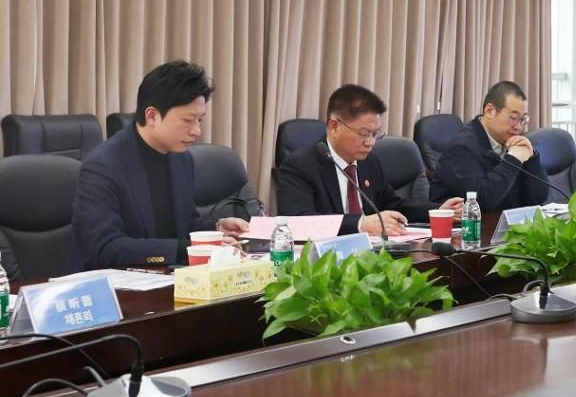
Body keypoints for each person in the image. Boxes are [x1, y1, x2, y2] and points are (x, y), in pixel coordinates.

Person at [69, 61, 249, 271]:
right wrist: (186, 249)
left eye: (199, 120)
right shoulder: (103, 165)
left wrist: (217, 230)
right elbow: (106, 248)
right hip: (112, 283)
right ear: (152, 116)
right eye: (188, 120)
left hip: (166, 278)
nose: (196, 131)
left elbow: (186, 225)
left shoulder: (181, 159)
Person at [277, 85, 463, 236]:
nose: (371, 142)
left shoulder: (368, 162)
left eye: (375, 134)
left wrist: (438, 211)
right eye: (364, 134)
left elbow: (392, 204)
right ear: (334, 126)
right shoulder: (299, 166)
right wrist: (360, 224)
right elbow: (300, 221)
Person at [430, 81, 550, 212]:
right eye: (513, 118)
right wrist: (513, 160)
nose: (518, 127)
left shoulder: (512, 142)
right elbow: (481, 201)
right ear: (489, 111)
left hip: (505, 221)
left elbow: (538, 197)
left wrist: (532, 158)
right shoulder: (461, 147)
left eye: (523, 120)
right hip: (465, 223)